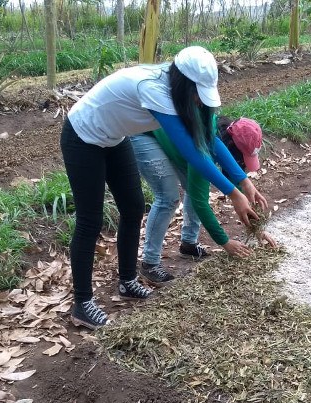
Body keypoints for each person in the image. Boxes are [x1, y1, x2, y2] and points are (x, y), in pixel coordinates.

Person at [60, 46, 268, 329]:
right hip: (83, 135)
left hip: (115, 138)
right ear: (185, 84)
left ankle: (128, 281)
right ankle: (82, 303)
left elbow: (209, 138)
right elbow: (194, 153)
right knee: (90, 220)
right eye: (197, 93)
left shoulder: (183, 94)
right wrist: (233, 193)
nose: (200, 100)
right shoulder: (155, 90)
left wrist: (243, 181)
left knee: (133, 208)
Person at [131, 116, 269, 285]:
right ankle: (150, 264)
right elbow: (200, 202)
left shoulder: (214, 136)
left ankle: (188, 244)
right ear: (232, 149)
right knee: (168, 198)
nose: (243, 166)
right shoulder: (203, 151)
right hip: (144, 133)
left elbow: (234, 184)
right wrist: (225, 242)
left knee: (195, 186)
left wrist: (256, 228)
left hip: (170, 137)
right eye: (242, 160)